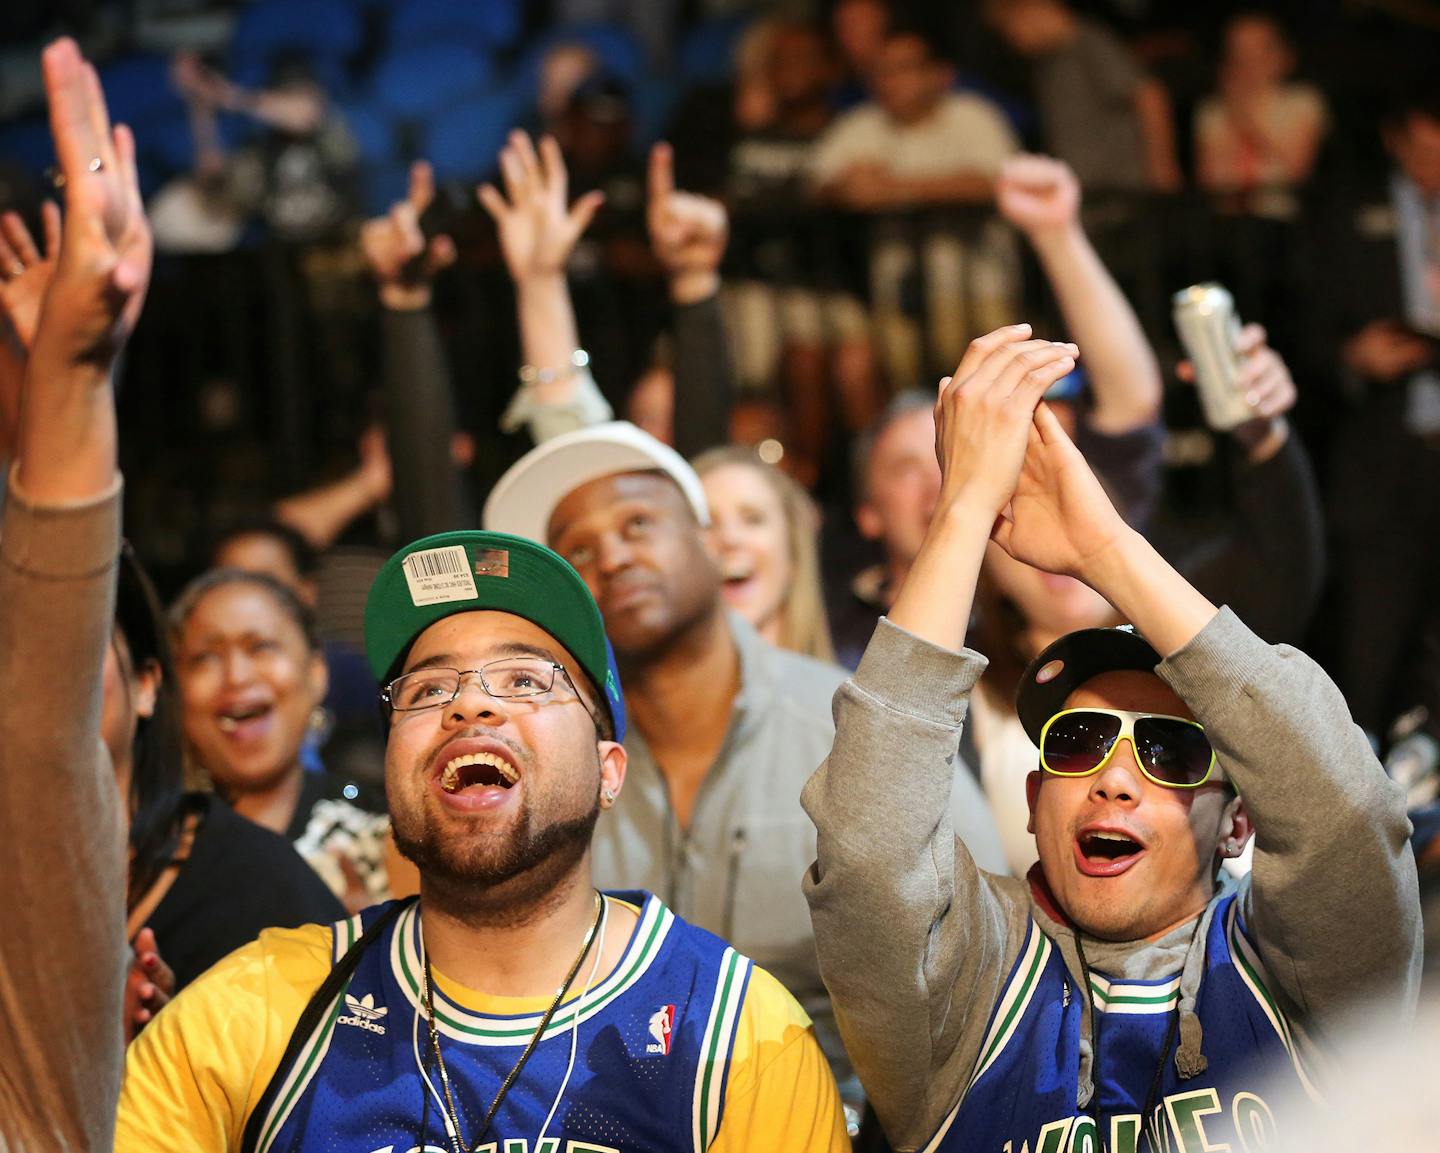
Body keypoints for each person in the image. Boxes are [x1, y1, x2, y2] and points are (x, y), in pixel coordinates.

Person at [802, 324, 1422, 1150]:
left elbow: (1348, 813)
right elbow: (870, 851)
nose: (1114, 778)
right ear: (1034, 799)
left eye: (1168, 751)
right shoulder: (968, 985)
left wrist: (1106, 549)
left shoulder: (1311, 980)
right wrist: (961, 513)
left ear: (1240, 821)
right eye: (1080, 740)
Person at [117, 529, 849, 1151]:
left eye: (527, 680)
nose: (470, 701)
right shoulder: (258, 1010)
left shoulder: (734, 1034)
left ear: (608, 771)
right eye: (427, 689)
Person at [483, 420, 1008, 1113]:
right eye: (577, 548)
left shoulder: (847, 725)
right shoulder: (549, 765)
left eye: (638, 523)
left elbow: (991, 956)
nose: (609, 555)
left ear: (709, 543)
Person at [829, 154, 1164, 670]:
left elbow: (1130, 402)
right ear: (866, 514)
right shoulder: (838, 627)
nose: (939, 483)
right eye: (903, 467)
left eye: (948, 457)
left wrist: (1057, 236)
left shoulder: (1044, 575)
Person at [170, 567, 391, 911]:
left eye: (260, 647)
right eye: (205, 657)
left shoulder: (383, 839)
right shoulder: (150, 852)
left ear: (316, 675)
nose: (236, 676)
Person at [810, 25, 1020, 384]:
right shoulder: (861, 123)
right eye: (881, 71)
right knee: (901, 383)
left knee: (984, 382)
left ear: (940, 74)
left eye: (903, 69)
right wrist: (845, 187)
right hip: (894, 292)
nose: (890, 82)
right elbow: (820, 184)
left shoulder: (973, 115)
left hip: (980, 289)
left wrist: (894, 187)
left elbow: (997, 182)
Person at [694, 443, 836, 661]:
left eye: (753, 519)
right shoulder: (634, 693)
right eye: (707, 523)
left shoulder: (846, 692)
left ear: (793, 552)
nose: (730, 538)